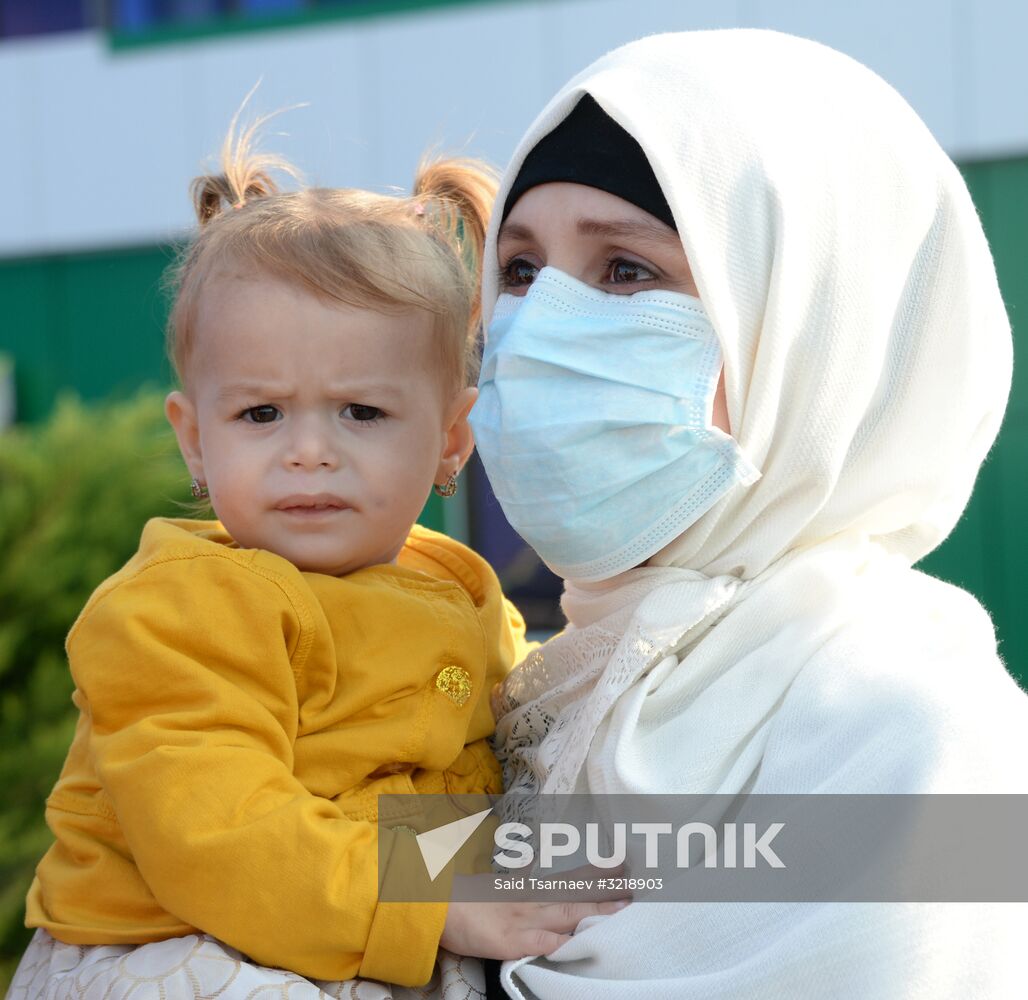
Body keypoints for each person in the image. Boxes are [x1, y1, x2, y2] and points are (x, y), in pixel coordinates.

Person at [7, 118, 622, 1000]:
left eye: (360, 413)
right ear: (195, 439)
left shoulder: (456, 587)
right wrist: (434, 902)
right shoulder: (179, 610)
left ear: (451, 438)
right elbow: (217, 832)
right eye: (261, 414)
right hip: (174, 950)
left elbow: (516, 734)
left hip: (370, 923)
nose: (308, 453)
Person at [469, 29, 1028, 998]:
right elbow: (321, 876)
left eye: (624, 270)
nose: (540, 328)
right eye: (519, 271)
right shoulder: (530, 700)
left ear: (809, 329)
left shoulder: (920, 743)